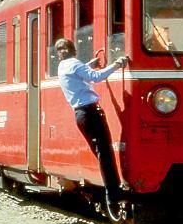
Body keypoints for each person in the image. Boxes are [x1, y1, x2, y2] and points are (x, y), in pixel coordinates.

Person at [55, 38, 129, 209]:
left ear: (59, 53)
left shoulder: (62, 67)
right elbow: (96, 77)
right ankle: (113, 195)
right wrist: (118, 64)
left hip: (81, 115)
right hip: (90, 113)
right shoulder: (74, 63)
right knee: (105, 152)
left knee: (101, 152)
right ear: (73, 49)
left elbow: (78, 73)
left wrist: (89, 64)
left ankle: (113, 193)